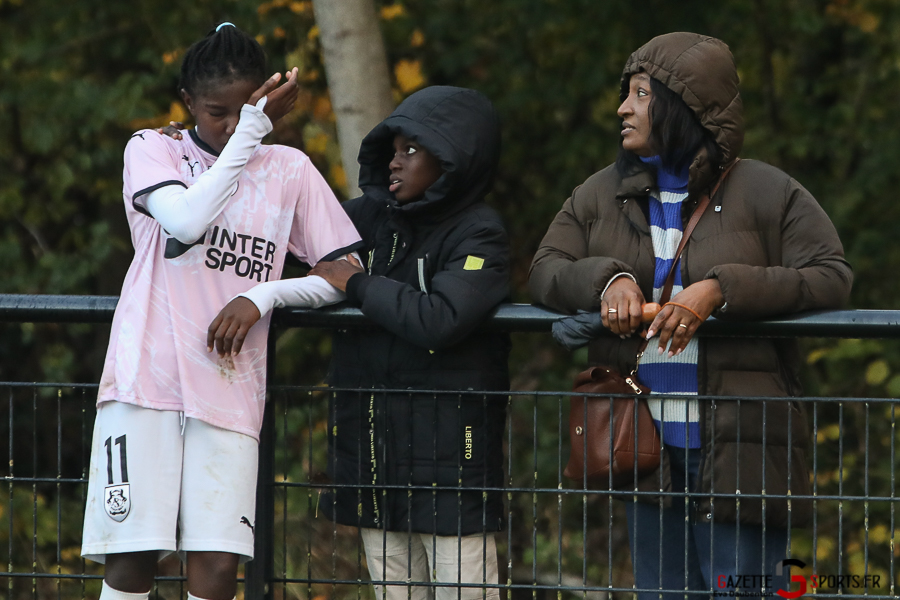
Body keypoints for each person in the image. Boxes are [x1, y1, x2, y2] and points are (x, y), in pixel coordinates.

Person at [528, 33, 852, 598]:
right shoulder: (600, 194)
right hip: (640, 447)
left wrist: (721, 290)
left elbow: (830, 275)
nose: (623, 108)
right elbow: (544, 270)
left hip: (741, 446)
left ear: (685, 105)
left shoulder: (768, 190)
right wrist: (608, 280)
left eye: (640, 94)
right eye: (626, 94)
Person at [81, 23, 362, 600]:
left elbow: (346, 273)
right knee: (133, 557)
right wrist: (253, 128)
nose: (233, 125)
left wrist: (264, 296)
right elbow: (186, 221)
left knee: (216, 568)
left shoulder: (289, 170)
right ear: (188, 101)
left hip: (230, 389)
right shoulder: (153, 148)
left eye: (246, 111)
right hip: (145, 383)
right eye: (217, 113)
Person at [307, 86, 510, 599]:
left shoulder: (480, 232)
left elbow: (441, 318)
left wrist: (356, 283)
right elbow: (278, 235)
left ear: (452, 159)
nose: (394, 162)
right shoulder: (362, 220)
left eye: (411, 150)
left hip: (452, 468)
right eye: (393, 150)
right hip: (374, 462)